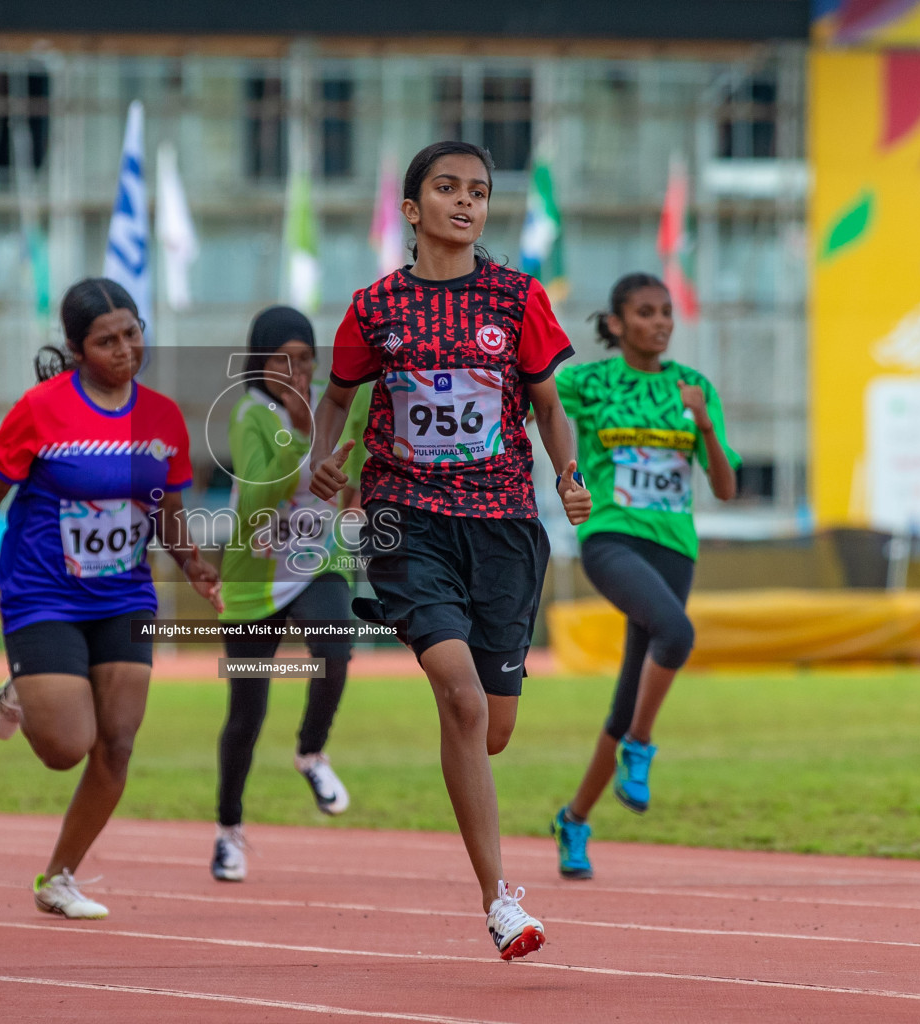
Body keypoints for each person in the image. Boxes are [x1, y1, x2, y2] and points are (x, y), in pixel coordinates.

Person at [308, 141, 591, 961]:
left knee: (491, 728)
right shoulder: (373, 309)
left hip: (502, 525)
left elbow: (548, 406)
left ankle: (463, 700)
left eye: (477, 191)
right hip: (406, 518)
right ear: (411, 208)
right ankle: (499, 900)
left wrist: (567, 475)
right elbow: (334, 399)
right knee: (462, 703)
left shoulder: (518, 299)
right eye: (446, 188)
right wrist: (325, 458)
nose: (465, 202)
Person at [0, 277, 222, 920]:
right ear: (76, 349)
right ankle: (20, 689)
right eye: (106, 341)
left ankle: (59, 877)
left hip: (126, 594)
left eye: (132, 333)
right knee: (65, 747)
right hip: (44, 592)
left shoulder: (162, 416)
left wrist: (192, 563)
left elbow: (165, 505)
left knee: (117, 744)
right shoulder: (42, 408)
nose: (125, 349)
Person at [548, 273, 739, 880]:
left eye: (665, 314)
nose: (659, 322)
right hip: (610, 537)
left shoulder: (694, 388)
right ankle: (641, 747)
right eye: (645, 313)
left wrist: (704, 424)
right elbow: (536, 399)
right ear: (617, 323)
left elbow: (727, 488)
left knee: (629, 693)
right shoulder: (591, 381)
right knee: (677, 635)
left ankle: (575, 818)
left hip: (675, 550)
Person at [211, 306, 364, 883]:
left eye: (304, 358)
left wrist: (354, 498)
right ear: (259, 363)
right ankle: (229, 830)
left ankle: (311, 752)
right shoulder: (251, 414)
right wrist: (296, 438)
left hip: (316, 560)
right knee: (246, 715)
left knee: (335, 650)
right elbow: (253, 504)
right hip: (253, 575)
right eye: (282, 359)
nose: (296, 371)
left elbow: (355, 467)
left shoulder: (333, 403)